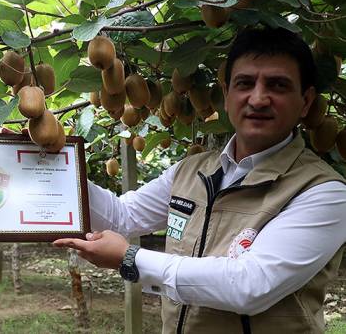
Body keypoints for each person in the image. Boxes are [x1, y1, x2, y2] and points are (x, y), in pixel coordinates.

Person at [55, 27, 346, 333]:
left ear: (305, 101)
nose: (258, 99)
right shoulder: (191, 170)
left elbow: (250, 285)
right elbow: (120, 216)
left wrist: (131, 258)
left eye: (278, 85)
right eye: (245, 83)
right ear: (226, 92)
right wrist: (53, 170)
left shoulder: (324, 192)